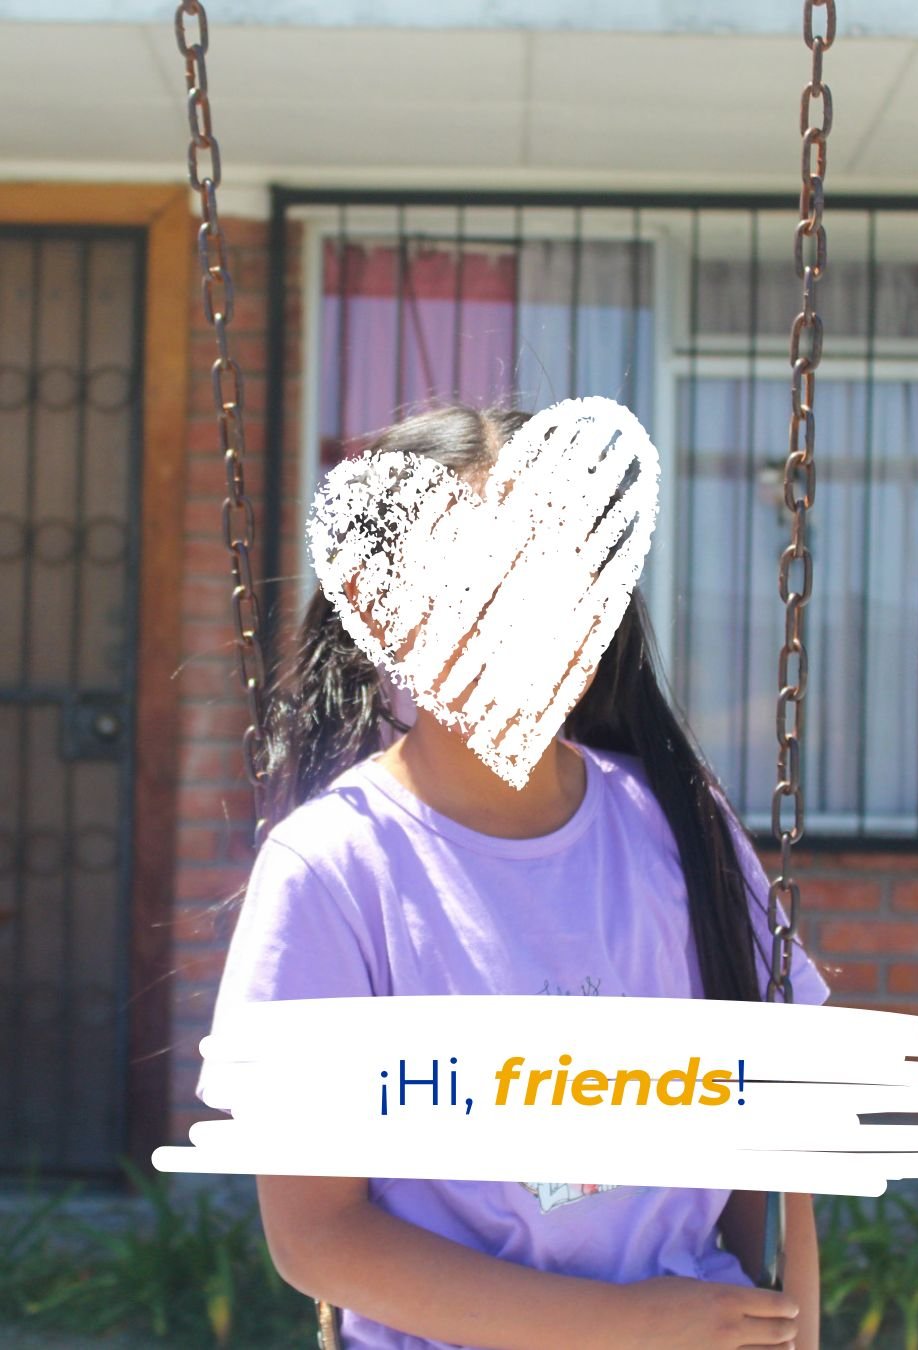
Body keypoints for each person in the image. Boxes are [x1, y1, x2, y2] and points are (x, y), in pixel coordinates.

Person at [195, 405, 830, 1350]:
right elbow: (317, 1236)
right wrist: (628, 1327)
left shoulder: (679, 824)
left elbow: (771, 1142)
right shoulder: (331, 870)